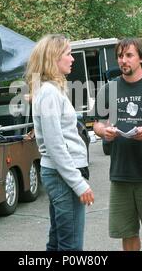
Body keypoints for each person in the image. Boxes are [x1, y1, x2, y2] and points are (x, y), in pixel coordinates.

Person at [92, 38, 142, 251]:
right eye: (120, 56)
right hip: (121, 173)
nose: (123, 61)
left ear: (141, 58)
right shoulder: (110, 88)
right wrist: (104, 131)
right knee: (127, 233)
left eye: (129, 55)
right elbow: (97, 122)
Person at [25, 34, 94, 251]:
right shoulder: (48, 93)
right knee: (70, 246)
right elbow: (55, 145)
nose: (72, 58)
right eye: (68, 53)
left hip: (59, 174)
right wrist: (78, 183)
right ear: (54, 57)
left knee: (58, 241)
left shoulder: (48, 90)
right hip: (63, 175)